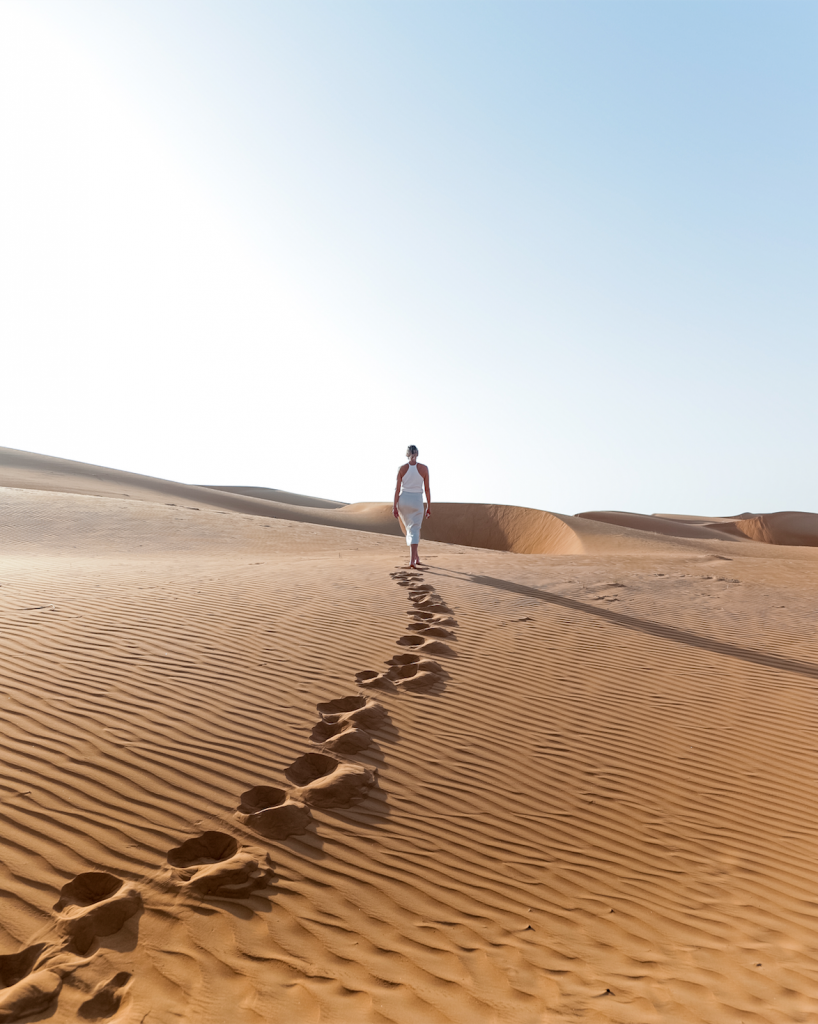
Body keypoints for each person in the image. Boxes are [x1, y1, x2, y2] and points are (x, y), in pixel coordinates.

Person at [393, 445, 431, 568]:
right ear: (417, 454)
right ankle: (412, 561)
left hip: (403, 500)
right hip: (416, 501)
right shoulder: (424, 469)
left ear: (407, 453)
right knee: (414, 529)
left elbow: (397, 489)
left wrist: (394, 506)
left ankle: (416, 556)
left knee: (410, 529)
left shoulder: (401, 469)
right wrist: (429, 506)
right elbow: (427, 489)